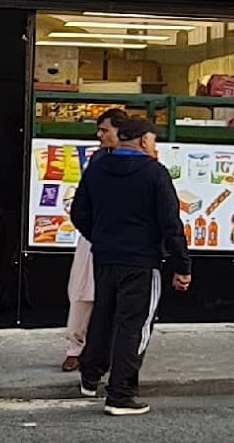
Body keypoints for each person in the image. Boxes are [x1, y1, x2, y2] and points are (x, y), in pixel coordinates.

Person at [69, 118, 191, 416]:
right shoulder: (154, 173)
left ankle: (90, 375)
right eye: (152, 140)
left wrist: (100, 237)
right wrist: (181, 264)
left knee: (104, 313)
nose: (154, 146)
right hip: (141, 260)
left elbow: (78, 212)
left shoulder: (97, 168)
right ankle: (120, 394)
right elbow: (170, 223)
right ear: (140, 140)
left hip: (106, 255)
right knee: (134, 325)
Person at [62, 108, 129, 372]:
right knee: (81, 292)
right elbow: (83, 201)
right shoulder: (98, 161)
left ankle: (106, 349)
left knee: (113, 295)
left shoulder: (137, 161)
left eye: (105, 130)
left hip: (121, 237)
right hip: (95, 234)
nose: (99, 135)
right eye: (99, 130)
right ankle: (74, 347)